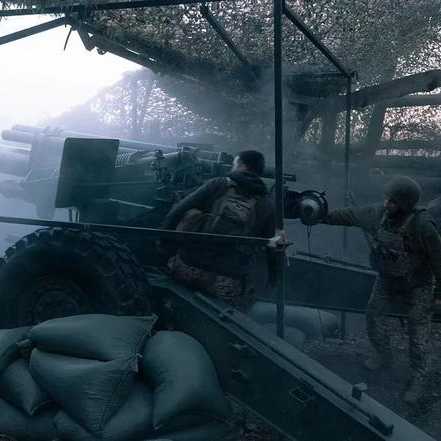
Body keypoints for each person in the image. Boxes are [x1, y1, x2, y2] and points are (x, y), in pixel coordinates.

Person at [320, 176, 441, 404]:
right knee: (373, 316)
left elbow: (438, 261)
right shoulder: (378, 214)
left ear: (405, 204)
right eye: (387, 199)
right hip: (388, 279)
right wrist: (320, 215)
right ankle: (384, 355)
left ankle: (419, 377)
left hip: (419, 285)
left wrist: (438, 296)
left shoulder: (423, 226)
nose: (387, 204)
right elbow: (350, 215)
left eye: (393, 201)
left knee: (417, 333)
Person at [162, 150, 279, 309]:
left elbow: (177, 211)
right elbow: (273, 246)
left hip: (187, 267)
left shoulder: (218, 184)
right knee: (244, 302)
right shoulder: (266, 204)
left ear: (241, 164)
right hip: (225, 282)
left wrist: (164, 246)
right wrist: (273, 279)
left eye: (234, 163)